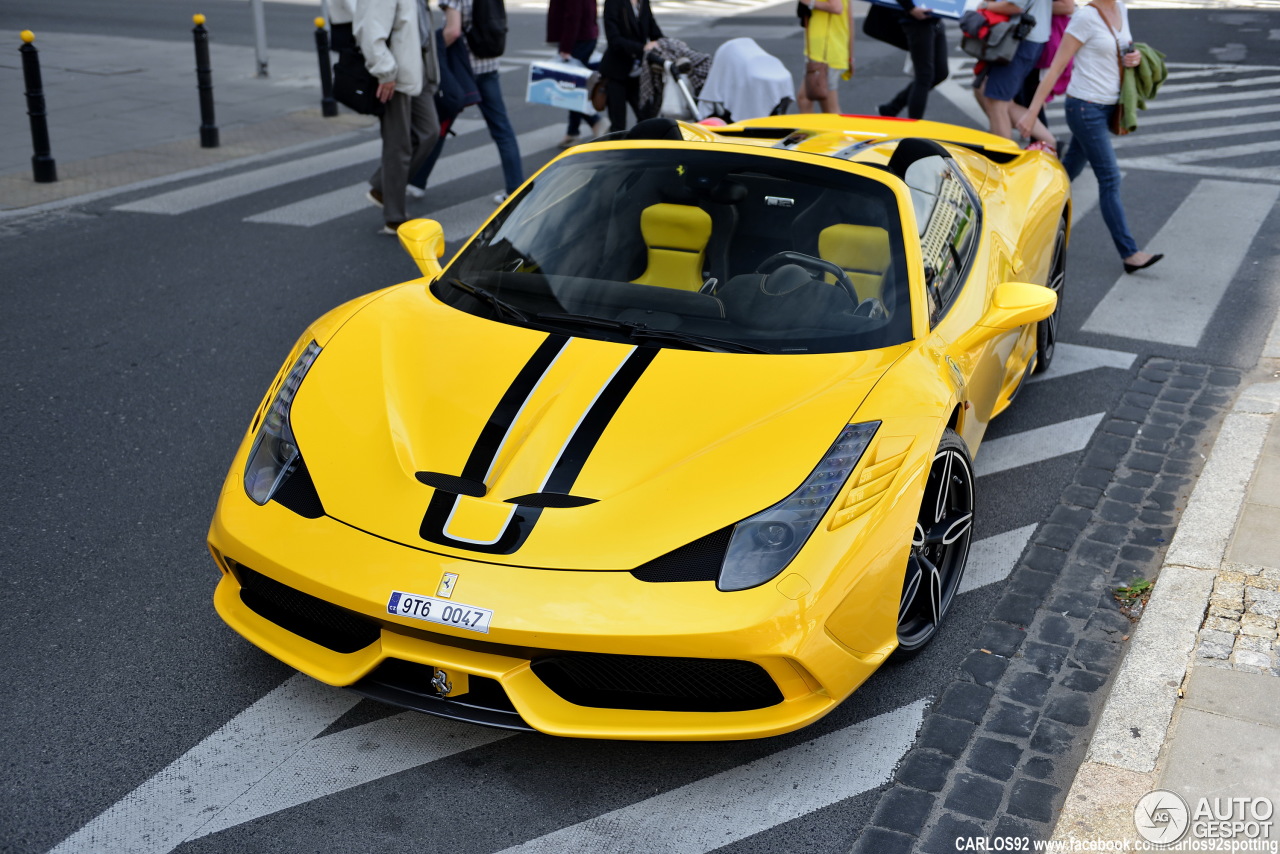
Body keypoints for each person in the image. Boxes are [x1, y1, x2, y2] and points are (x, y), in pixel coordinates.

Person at [1017, 0, 1162, 273]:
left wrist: (1135, 58)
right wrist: (1032, 113)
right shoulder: (1085, 16)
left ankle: (1024, 216)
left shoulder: (1121, 9)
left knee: (1068, 170)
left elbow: (1122, 48)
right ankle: (1130, 253)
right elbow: (1057, 66)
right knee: (1109, 177)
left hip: (1108, 106)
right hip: (1084, 108)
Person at [356, 0, 442, 234]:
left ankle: (383, 187)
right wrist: (385, 71)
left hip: (418, 67)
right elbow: (370, 30)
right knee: (398, 144)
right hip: (395, 72)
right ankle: (394, 216)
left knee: (429, 132)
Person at [439, 0, 524, 203]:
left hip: (464, 67)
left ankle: (414, 181)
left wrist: (433, 50)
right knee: (502, 128)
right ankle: (515, 189)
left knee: (438, 124)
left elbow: (453, 31)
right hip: (489, 63)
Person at [972, 0, 1056, 148]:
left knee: (996, 102)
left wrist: (984, 6)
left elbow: (1016, 6)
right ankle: (1050, 143)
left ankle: (1004, 156)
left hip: (1020, 39)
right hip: (1029, 37)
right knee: (1001, 100)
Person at [876, 0, 948, 120]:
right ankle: (914, 127)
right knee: (924, 75)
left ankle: (891, 109)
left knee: (940, 73)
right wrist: (910, 8)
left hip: (935, 17)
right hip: (916, 19)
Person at [547, 0, 604, 146]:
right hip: (585, 35)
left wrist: (566, 47)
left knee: (572, 87)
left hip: (578, 39)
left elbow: (573, 15)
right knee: (574, 86)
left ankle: (594, 121)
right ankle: (573, 131)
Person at [601, 0, 663, 132]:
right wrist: (643, 48)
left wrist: (665, 44)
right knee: (618, 125)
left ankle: (643, 150)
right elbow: (614, 40)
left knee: (647, 118)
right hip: (616, 71)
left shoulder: (643, 3)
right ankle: (617, 151)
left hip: (639, 72)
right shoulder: (613, 3)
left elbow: (654, 30)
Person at [795, 0, 853, 114]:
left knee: (829, 108)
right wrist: (850, 55)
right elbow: (849, 18)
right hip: (829, 49)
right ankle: (810, 131)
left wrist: (808, 2)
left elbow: (836, 7)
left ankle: (816, 131)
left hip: (825, 52)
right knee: (805, 99)